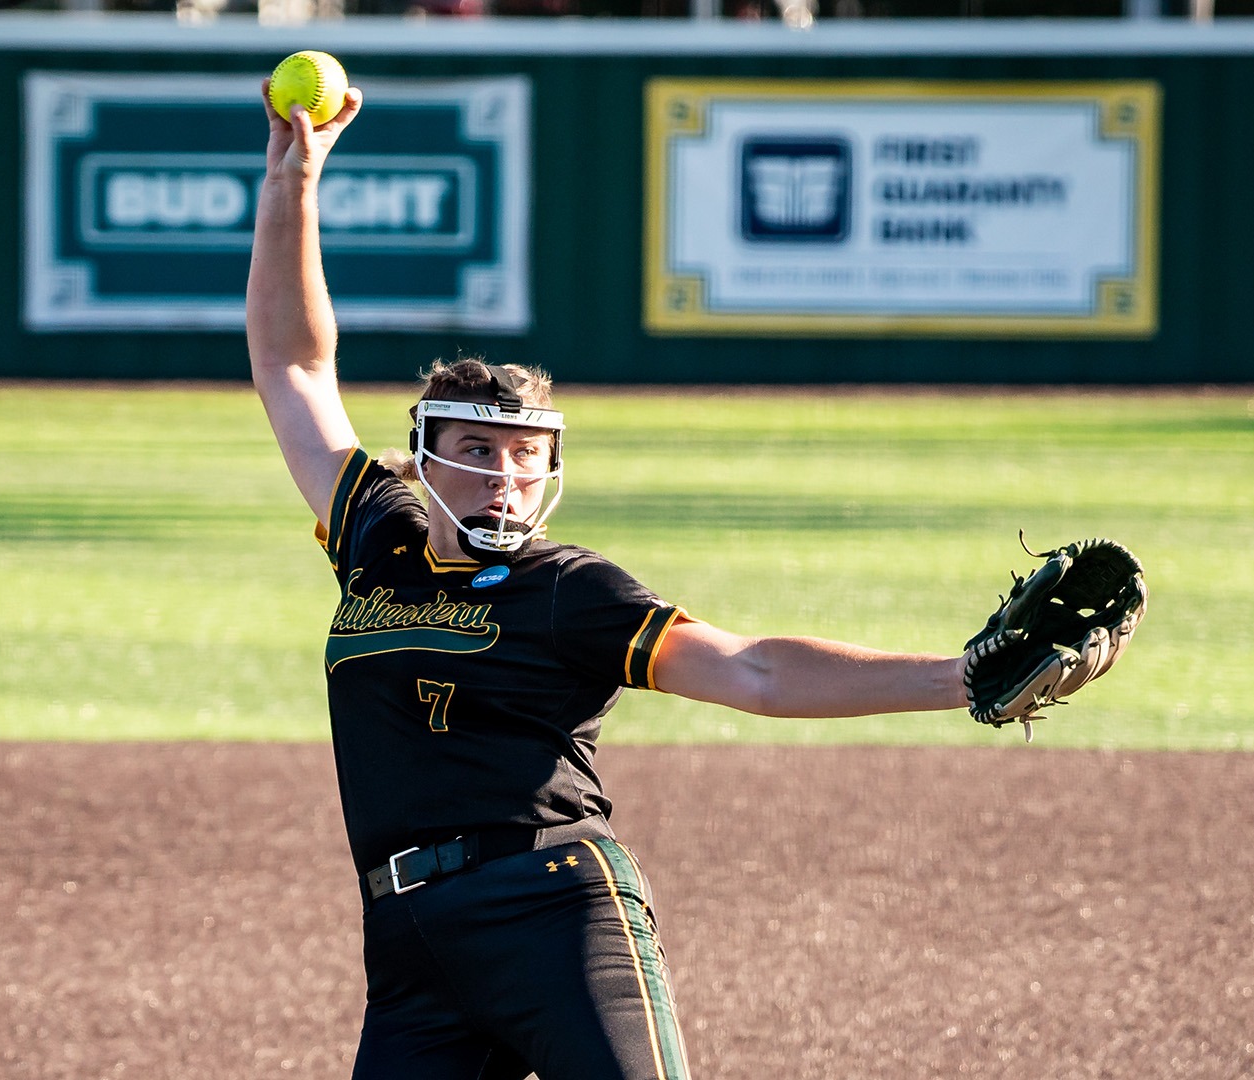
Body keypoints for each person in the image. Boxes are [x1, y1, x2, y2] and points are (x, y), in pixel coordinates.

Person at [248, 85, 1044, 1080]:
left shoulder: (566, 589)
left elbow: (752, 670)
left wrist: (959, 676)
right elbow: (293, 365)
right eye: (478, 450)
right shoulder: (378, 531)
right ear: (424, 458)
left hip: (552, 908)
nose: (506, 475)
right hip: (408, 947)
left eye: (525, 456)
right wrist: (294, 182)